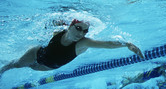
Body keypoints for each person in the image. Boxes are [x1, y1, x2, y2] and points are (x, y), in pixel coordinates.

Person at [0, 19, 144, 75]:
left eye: (85, 31)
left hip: (47, 67)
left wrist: (127, 45)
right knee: (17, 64)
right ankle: (1, 71)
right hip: (36, 53)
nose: (81, 33)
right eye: (78, 28)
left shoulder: (83, 43)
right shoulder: (58, 31)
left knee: (32, 67)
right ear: (70, 26)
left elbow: (106, 44)